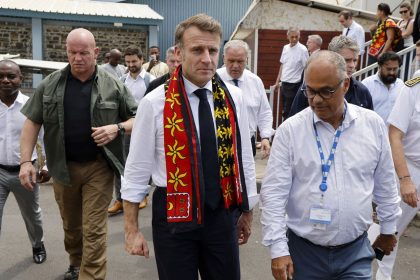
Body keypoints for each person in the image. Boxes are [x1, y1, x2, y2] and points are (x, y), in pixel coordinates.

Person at [122, 14, 258, 280]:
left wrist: (247, 211)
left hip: (222, 213)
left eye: (212, 50)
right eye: (197, 50)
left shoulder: (234, 99)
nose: (207, 58)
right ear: (178, 52)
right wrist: (131, 230)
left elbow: (243, 158)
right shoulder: (155, 103)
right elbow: (137, 169)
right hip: (174, 217)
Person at [260, 50, 401, 280]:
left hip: (354, 253)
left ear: (345, 84)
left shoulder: (372, 125)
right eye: (310, 91)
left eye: (326, 91)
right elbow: (274, 194)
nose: (316, 100)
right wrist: (278, 250)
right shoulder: (291, 131)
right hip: (303, 254)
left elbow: (385, 182)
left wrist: (388, 228)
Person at [19, 28, 137, 280]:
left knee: (93, 229)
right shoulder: (50, 85)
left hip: (98, 167)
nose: (77, 58)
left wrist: (116, 128)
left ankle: (91, 275)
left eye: (84, 53)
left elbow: (138, 119)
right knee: (72, 227)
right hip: (63, 168)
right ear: (67, 52)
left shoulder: (113, 85)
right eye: (72, 52)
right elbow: (32, 122)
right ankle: (76, 263)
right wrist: (26, 161)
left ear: (95, 53)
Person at [0, 60, 49, 265]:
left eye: (11, 76)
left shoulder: (31, 106)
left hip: (26, 173)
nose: (5, 80)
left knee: (32, 216)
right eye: (1, 76)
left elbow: (43, 138)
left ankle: (37, 244)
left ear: (21, 78)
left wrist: (45, 166)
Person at [375, 76, 420, 280]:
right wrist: (405, 179)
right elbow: (394, 134)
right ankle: (359, 269)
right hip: (410, 169)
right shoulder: (414, 86)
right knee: (389, 229)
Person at [107, 46, 155, 215]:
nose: (131, 65)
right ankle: (120, 199)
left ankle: (142, 195)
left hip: (145, 129)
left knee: (144, 162)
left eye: (134, 61)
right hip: (126, 128)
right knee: (122, 163)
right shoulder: (121, 81)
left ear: (142, 60)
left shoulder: (150, 80)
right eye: (127, 62)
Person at [289, 35, 373, 117]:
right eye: (346, 60)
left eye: (355, 60)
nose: (352, 65)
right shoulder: (309, 89)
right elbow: (293, 125)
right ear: (331, 58)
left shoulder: (362, 92)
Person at [217, 40, 273, 158]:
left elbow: (264, 112)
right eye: (231, 61)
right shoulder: (213, 80)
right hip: (219, 142)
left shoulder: (255, 81)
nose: (236, 66)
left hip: (247, 142)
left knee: (246, 175)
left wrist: (265, 137)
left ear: (247, 59)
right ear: (224, 58)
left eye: (240, 61)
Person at [273, 27, 309, 120]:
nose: (294, 39)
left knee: (290, 111)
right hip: (284, 83)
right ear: (287, 37)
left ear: (299, 36)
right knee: (285, 110)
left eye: (296, 37)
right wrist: (277, 82)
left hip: (295, 84)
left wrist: (306, 84)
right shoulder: (285, 48)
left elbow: (307, 67)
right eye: (292, 37)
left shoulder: (303, 49)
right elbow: (282, 65)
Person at [362, 52, 404, 123]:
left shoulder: (400, 84)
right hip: (372, 131)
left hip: (393, 132)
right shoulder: (367, 84)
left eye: (395, 69)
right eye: (388, 69)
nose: (392, 73)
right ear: (379, 67)